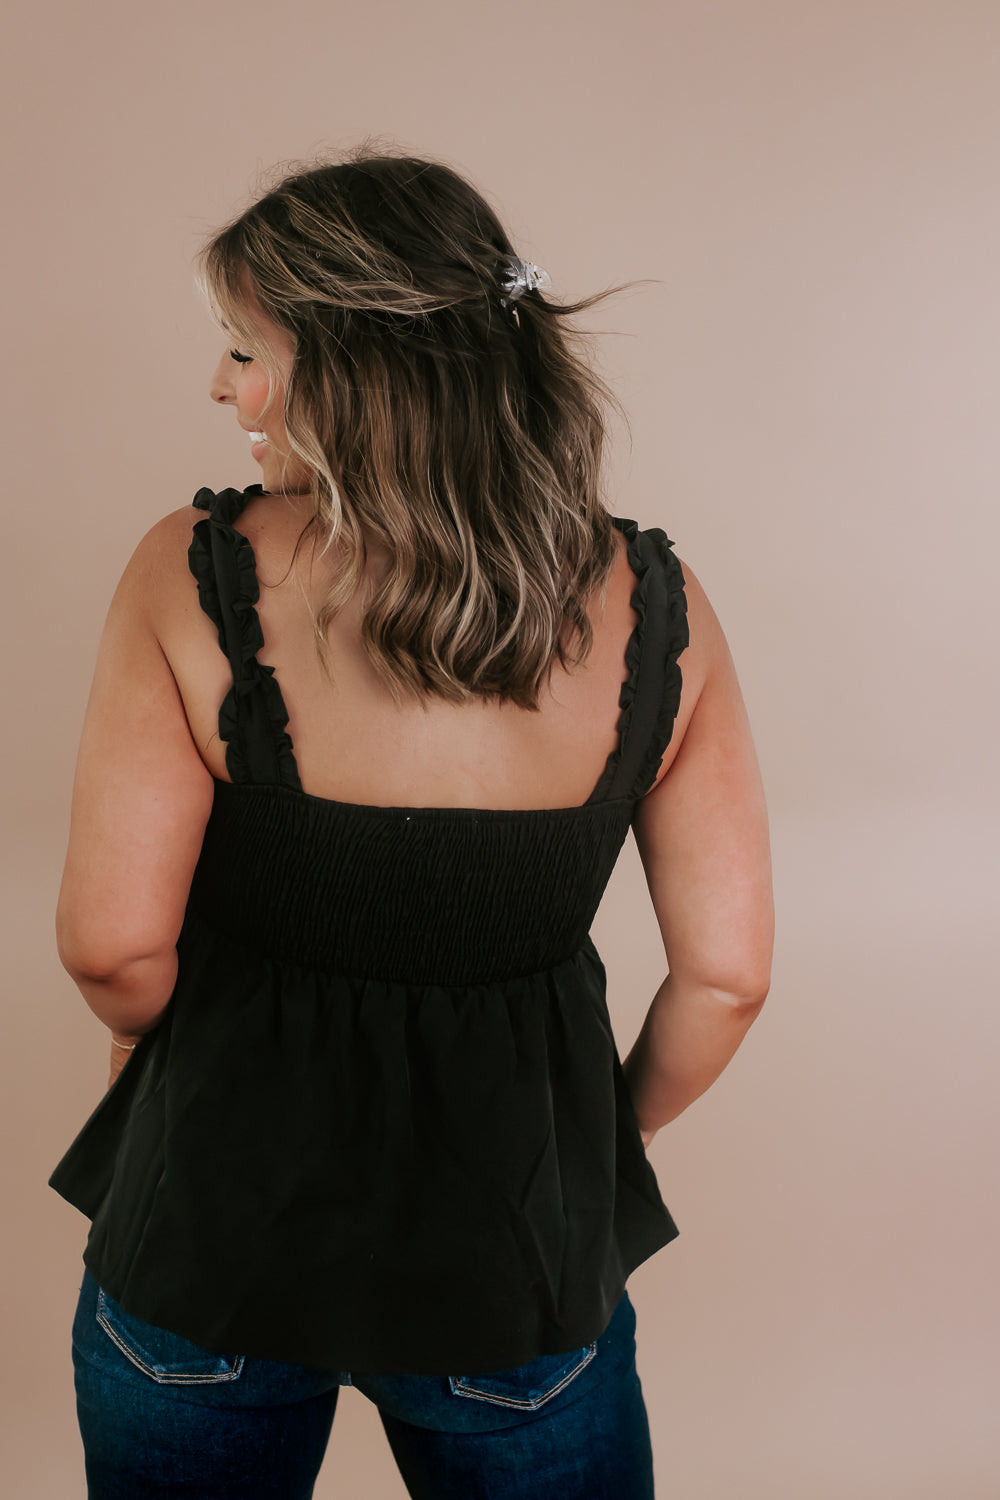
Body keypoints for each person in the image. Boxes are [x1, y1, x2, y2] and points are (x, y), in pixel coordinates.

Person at [50, 144, 773, 1500]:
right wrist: (599, 1148)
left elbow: (112, 947)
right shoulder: (655, 605)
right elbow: (728, 979)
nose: (219, 386)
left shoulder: (191, 571)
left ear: (354, 364)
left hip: (208, 1226)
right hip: (515, 1254)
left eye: (244, 349)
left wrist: (157, 1054)